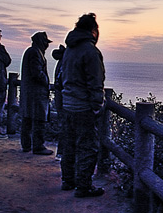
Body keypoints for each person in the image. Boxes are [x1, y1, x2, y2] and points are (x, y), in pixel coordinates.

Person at [59, 13, 105, 198]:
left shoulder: (70, 49)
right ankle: (83, 186)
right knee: (88, 146)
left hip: (68, 104)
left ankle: (67, 181)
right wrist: (97, 105)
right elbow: (95, 82)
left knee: (69, 144)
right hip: (83, 107)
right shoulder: (90, 51)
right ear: (93, 31)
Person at [20, 31, 53, 155]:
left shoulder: (31, 51)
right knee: (39, 119)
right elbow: (37, 73)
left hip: (30, 92)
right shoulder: (35, 53)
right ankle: (38, 146)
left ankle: (26, 145)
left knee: (27, 118)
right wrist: (46, 82)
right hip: (36, 92)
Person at [52, 44, 66, 159]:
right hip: (65, 99)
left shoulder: (61, 61)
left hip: (59, 97)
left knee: (63, 125)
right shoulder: (67, 61)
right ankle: (62, 153)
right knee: (66, 126)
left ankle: (61, 152)